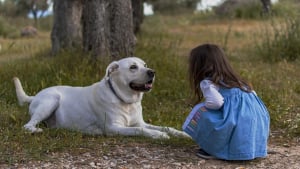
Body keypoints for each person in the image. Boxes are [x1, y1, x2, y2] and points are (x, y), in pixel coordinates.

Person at [182, 43, 270, 160]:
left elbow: (216, 103)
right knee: (237, 118)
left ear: (199, 66)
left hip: (237, 121)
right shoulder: (237, 81)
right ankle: (252, 148)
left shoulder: (208, 82)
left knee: (200, 111)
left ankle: (212, 148)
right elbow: (253, 96)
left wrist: (205, 106)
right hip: (257, 118)